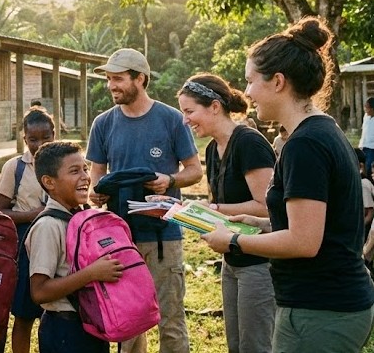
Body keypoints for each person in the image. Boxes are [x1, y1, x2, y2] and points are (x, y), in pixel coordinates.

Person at [202, 17, 374, 352]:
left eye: (251, 81)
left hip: (319, 310)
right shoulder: (321, 129)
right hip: (331, 303)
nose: (247, 92)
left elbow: (304, 241)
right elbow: (320, 224)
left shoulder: (304, 144)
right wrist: (263, 224)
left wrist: (235, 241)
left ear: (278, 81)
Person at [87, 48, 202, 353]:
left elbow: (195, 171)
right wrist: (95, 192)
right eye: (109, 79)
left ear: (140, 79)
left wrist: (171, 180)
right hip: (120, 239)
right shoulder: (103, 123)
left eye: (118, 79)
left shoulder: (171, 119)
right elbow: (95, 178)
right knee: (128, 321)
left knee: (170, 320)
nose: (111, 85)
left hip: (165, 236)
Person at [177, 74, 276, 353]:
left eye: (190, 111)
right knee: (236, 344)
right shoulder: (212, 149)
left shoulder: (248, 143)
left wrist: (214, 210)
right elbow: (217, 205)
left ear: (215, 107)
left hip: (259, 261)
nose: (186, 120)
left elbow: (267, 205)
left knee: (256, 345)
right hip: (232, 259)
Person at [26, 141, 123, 353]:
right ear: (49, 182)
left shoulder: (82, 218)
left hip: (91, 324)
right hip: (64, 330)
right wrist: (92, 273)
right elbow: (40, 291)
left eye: (85, 169)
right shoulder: (48, 226)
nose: (85, 177)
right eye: (74, 171)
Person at [0, 106, 55, 353]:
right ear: (24, 138)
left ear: (55, 134)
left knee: (53, 312)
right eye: (33, 139)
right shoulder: (15, 167)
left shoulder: (63, 162)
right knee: (23, 313)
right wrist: (33, 214)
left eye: (46, 138)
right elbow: (0, 212)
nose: (39, 144)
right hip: (25, 245)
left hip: (56, 242)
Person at [360, 97, 374, 178]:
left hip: (372, 147)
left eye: (367, 107)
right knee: (362, 167)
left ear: (372, 109)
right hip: (363, 145)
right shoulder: (366, 116)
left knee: (369, 166)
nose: (365, 109)